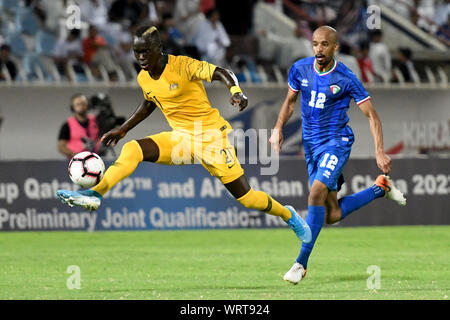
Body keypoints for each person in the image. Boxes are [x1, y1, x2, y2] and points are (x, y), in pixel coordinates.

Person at [56, 26, 312, 247]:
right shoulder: (144, 77)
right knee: (133, 149)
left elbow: (222, 72)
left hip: (211, 138)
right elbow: (149, 103)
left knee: (247, 198)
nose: (141, 57)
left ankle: (288, 215)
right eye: (137, 52)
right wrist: (124, 128)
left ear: (159, 47)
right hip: (182, 140)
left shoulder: (183, 65)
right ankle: (95, 194)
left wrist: (236, 91)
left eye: (146, 51)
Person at [269, 26, 406, 285]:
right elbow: (289, 101)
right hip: (311, 147)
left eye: (324, 45)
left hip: (336, 143)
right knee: (330, 214)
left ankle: (300, 263)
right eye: (315, 44)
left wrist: (379, 151)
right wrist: (277, 128)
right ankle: (380, 189)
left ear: (335, 47)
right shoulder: (300, 69)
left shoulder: (346, 78)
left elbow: (372, 116)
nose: (319, 49)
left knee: (315, 192)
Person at [58, 94, 102, 158]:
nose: (81, 106)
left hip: (93, 159)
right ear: (73, 107)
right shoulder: (67, 125)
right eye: (78, 104)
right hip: (76, 161)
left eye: (83, 104)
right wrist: (73, 153)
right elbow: (61, 146)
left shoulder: (96, 121)